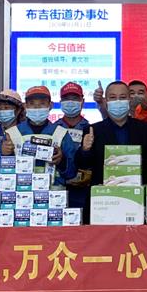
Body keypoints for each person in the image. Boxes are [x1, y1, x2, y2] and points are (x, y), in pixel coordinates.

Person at [76, 80, 147, 187]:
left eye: (122, 97)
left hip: (137, 191)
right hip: (104, 193)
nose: (118, 101)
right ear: (105, 101)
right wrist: (85, 150)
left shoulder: (145, 129)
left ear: (129, 100)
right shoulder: (92, 130)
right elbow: (82, 165)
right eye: (113, 97)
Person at [54, 82, 93, 212]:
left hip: (83, 191)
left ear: (82, 101)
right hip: (57, 189)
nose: (70, 102)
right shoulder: (53, 129)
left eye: (75, 98)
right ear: (60, 102)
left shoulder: (91, 129)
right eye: (66, 99)